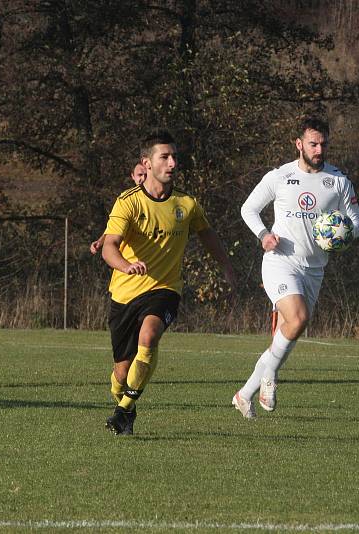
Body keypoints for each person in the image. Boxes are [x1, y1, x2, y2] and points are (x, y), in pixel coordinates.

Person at [101, 131, 236, 435]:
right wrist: (126, 265)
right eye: (165, 157)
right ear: (146, 163)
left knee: (149, 336)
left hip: (164, 290)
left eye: (175, 156)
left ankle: (122, 411)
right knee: (121, 376)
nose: (173, 163)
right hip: (124, 293)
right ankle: (127, 405)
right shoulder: (129, 202)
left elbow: (207, 234)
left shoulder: (186, 204)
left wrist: (226, 265)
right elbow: (110, 246)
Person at [233, 116, 359, 418]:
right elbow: (249, 208)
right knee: (298, 317)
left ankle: (244, 394)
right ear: (299, 144)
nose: (319, 149)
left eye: (323, 144)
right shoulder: (280, 176)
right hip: (281, 262)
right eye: (313, 143)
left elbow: (357, 225)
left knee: (292, 329)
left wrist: (341, 233)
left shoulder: (339, 181)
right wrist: (264, 235)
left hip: (315, 269)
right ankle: (269, 377)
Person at [90, 163, 148, 254]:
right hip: (128, 264)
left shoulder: (161, 199)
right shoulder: (126, 200)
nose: (144, 178)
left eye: (147, 175)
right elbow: (115, 227)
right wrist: (100, 241)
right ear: (132, 176)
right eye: (140, 175)